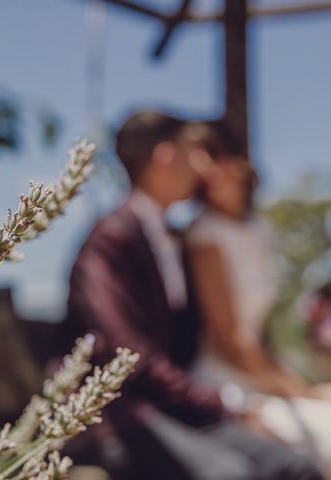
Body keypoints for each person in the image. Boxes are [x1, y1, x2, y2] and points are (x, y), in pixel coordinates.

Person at [67, 110, 323, 479]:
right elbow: (128, 357)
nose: (200, 168)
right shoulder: (109, 242)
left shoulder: (174, 237)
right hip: (118, 415)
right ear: (166, 157)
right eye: (192, 154)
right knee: (229, 474)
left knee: (295, 467)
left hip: (176, 407)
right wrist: (224, 401)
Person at [185, 120, 331, 477]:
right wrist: (302, 391)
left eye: (214, 155)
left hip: (262, 378)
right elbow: (230, 341)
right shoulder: (204, 235)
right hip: (223, 383)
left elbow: (258, 333)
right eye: (197, 159)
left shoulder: (258, 230)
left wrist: (298, 387)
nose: (207, 169)